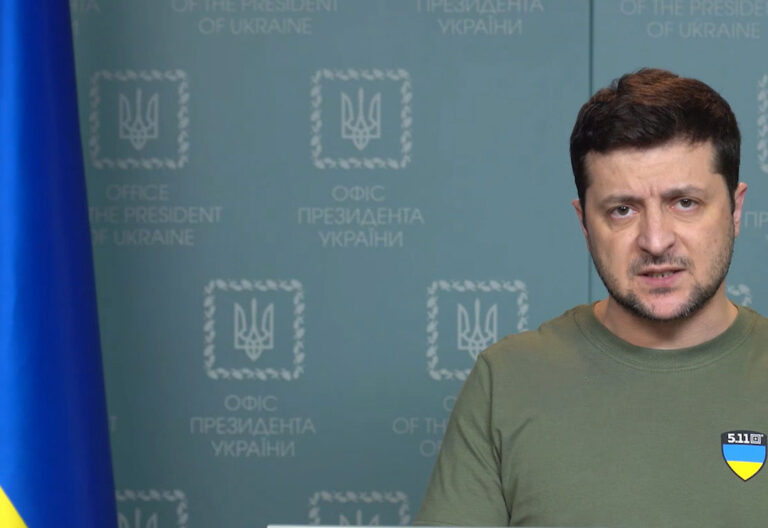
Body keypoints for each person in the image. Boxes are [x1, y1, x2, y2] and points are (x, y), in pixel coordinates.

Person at [414, 68, 768, 527]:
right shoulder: (507, 381)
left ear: (736, 209)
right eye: (622, 210)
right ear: (584, 223)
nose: (655, 240)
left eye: (685, 203)